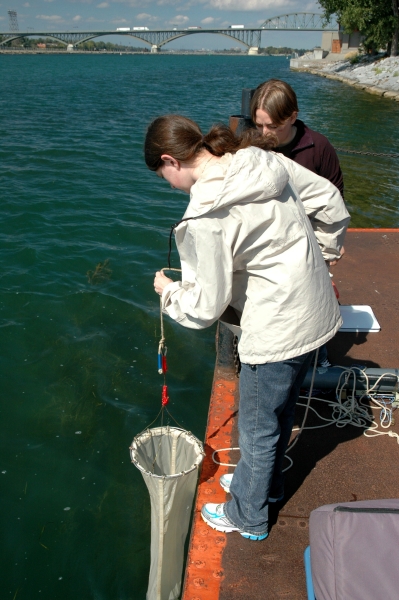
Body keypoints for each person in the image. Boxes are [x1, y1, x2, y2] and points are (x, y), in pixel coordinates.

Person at [145, 114, 350, 541]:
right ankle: (263, 488)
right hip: (313, 310)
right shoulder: (258, 159)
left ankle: (248, 516)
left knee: (257, 427)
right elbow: (329, 200)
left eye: (163, 174)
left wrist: (169, 292)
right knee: (280, 412)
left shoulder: (207, 214)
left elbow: (205, 307)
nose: (168, 184)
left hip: (276, 329)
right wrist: (324, 255)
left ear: (170, 160)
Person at [251, 79, 345, 367]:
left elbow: (335, 199)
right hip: (267, 243)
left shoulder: (319, 148)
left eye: (273, 126)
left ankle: (319, 362)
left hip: (308, 242)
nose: (265, 134)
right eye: (259, 125)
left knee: (313, 305)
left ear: (293, 117)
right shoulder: (254, 146)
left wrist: (330, 249)